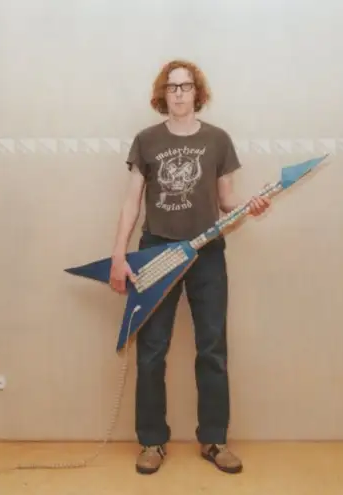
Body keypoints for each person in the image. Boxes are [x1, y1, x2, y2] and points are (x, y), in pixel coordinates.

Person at [109, 59, 271, 475]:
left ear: (197, 93)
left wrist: (250, 207)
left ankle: (214, 439)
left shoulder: (218, 140)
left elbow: (226, 201)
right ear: (162, 94)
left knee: (212, 349)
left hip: (206, 253)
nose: (179, 93)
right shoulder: (146, 140)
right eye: (172, 87)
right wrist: (119, 255)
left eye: (185, 86)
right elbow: (131, 202)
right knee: (151, 350)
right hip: (156, 253)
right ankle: (152, 442)